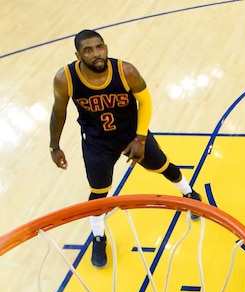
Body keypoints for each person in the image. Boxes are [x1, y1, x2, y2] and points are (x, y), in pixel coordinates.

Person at [49, 29, 202, 268]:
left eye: (100, 47)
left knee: (162, 166)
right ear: (78, 55)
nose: (96, 54)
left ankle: (189, 192)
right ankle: (98, 237)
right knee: (98, 193)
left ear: (106, 47)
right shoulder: (65, 78)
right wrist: (54, 146)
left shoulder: (125, 71)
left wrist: (140, 138)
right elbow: (59, 111)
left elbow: (145, 101)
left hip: (131, 134)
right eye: (88, 50)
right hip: (97, 139)